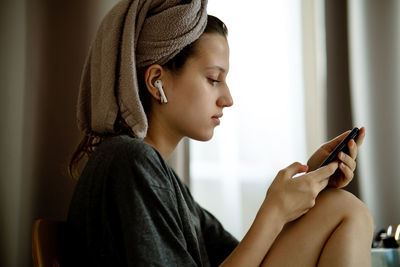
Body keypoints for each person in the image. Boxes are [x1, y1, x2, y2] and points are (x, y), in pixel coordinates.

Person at [62, 0, 374, 266]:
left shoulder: (157, 177)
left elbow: (246, 257)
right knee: (346, 210)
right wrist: (274, 210)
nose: (227, 98)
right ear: (157, 80)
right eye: (213, 78)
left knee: (338, 207)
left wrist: (311, 184)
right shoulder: (129, 163)